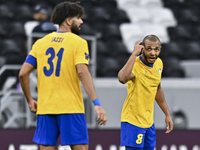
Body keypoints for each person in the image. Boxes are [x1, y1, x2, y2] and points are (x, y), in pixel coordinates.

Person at [18, 2, 107, 150]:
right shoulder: (79, 42)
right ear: (68, 20)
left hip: (45, 107)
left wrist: (29, 100)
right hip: (70, 107)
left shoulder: (40, 43)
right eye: (78, 18)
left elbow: (22, 73)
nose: (81, 21)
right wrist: (97, 104)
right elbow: (82, 72)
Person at [118, 35, 174, 150]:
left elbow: (157, 89)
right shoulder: (135, 64)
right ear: (142, 48)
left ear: (160, 49)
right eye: (149, 49)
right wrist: (134, 54)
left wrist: (167, 114)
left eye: (156, 49)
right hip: (133, 121)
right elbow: (122, 78)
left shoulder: (159, 64)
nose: (153, 53)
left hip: (149, 122)